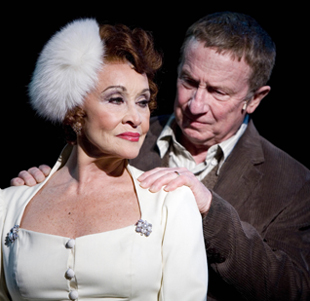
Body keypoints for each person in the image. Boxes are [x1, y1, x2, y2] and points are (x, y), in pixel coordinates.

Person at [10, 12, 310, 300]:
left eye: (218, 92)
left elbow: (293, 289)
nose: (196, 105)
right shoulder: (124, 134)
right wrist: (43, 189)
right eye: (189, 82)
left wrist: (211, 212)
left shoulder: (292, 182)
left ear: (254, 99)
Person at [0, 18, 208, 300]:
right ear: (73, 109)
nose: (136, 117)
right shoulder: (9, 206)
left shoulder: (170, 204)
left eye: (143, 102)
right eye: (116, 99)